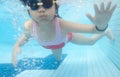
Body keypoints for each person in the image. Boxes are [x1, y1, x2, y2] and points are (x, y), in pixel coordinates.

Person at [12, 0, 117, 67]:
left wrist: (102, 26)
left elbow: (93, 30)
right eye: (34, 5)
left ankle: (106, 33)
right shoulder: (28, 26)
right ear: (28, 10)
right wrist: (17, 45)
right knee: (58, 59)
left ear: (55, 8)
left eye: (47, 3)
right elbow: (25, 36)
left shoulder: (62, 25)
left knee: (91, 42)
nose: (41, 10)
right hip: (54, 46)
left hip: (67, 38)